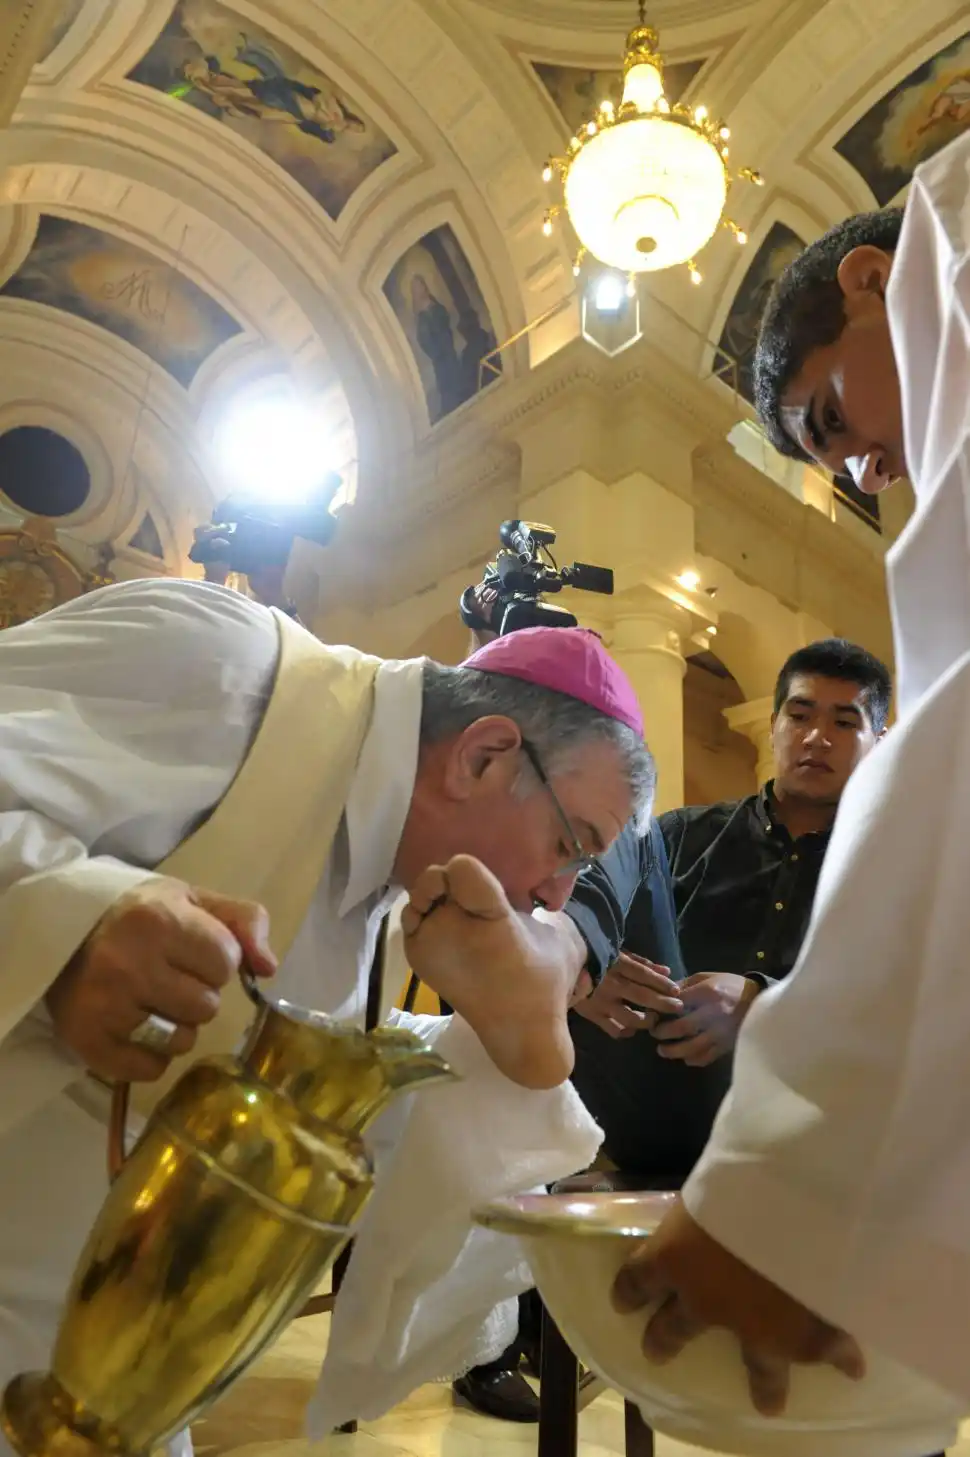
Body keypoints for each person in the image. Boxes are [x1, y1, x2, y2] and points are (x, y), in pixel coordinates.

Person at [0, 577, 655, 1452]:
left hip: (112, 1371)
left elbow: (293, 1062)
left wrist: (495, 1054)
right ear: (483, 756)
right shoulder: (224, 661)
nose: (555, 894)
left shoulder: (387, 887)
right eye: (568, 846)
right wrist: (69, 927)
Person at [608, 127, 970, 1411]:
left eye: (834, 423)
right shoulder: (690, 835)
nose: (870, 471)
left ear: (873, 283)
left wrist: (782, 1193)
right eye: (841, 467)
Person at [569, 636, 889, 1179]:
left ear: (878, 742)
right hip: (654, 1098)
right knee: (631, 828)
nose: (816, 737)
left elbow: (900, 1013)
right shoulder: (682, 836)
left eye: (844, 722)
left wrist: (761, 1006)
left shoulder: (893, 866)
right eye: (800, 715)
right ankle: (567, 953)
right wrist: (588, 961)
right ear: (774, 724)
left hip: (803, 1124)